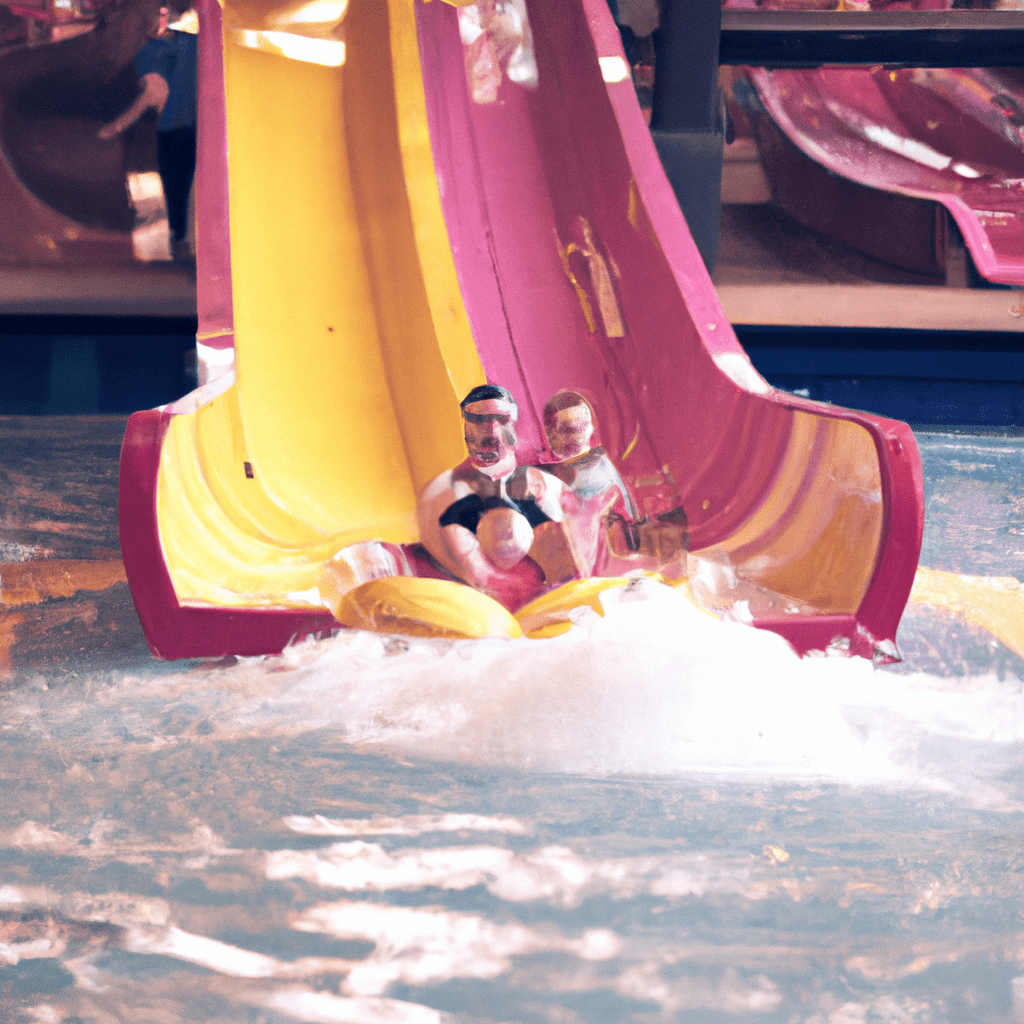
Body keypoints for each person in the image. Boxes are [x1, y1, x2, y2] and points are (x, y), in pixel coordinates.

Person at [417, 385, 564, 608]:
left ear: (514, 422)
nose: (493, 429)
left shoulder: (544, 485)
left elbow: (571, 554)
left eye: (501, 419)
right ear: (466, 427)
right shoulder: (447, 495)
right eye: (480, 419)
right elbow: (482, 579)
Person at [98, 4, 197, 260]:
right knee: (186, 191)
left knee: (175, 191)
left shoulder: (149, 54)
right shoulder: (191, 42)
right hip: (197, 126)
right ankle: (185, 243)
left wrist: (112, 129)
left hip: (173, 130)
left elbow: (150, 97)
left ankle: (177, 245)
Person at [539, 390, 637, 576]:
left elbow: (623, 501)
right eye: (567, 429)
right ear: (552, 435)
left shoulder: (601, 462)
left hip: (605, 544)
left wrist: (627, 519)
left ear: (590, 426)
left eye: (582, 425)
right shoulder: (556, 471)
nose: (576, 433)